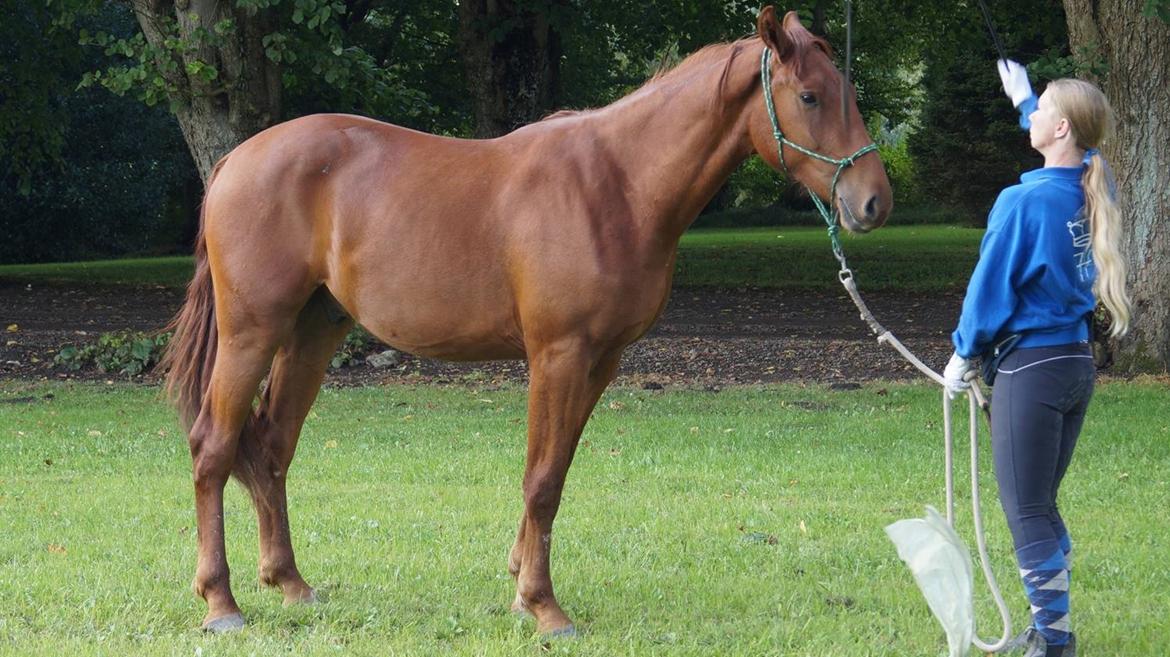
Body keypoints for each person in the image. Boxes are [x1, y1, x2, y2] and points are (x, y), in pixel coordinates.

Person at [942, 60, 1132, 657]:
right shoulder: (1094, 180)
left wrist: (962, 353)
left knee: (1026, 512)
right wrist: (1025, 97)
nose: (1036, 114)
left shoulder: (1020, 205)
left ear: (1063, 131)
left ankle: (1053, 640)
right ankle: (1053, 629)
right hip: (1074, 366)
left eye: (1045, 109)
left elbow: (988, 287)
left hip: (1031, 371)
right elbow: (1079, 146)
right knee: (1041, 504)